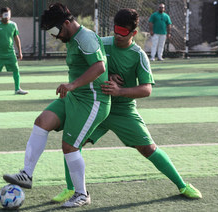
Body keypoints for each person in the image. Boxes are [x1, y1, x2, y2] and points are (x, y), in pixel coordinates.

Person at [51, 8, 202, 203]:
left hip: (123, 111)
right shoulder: (101, 43)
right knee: (72, 144)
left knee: (148, 148)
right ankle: (72, 189)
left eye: (124, 32)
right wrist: (105, 76)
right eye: (116, 30)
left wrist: (120, 91)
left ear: (134, 33)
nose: (118, 36)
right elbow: (89, 64)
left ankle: (182, 185)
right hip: (95, 106)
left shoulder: (138, 55)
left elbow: (147, 90)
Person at [2, 3, 111, 208]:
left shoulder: (85, 37)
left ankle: (81, 194)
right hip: (75, 97)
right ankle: (26, 174)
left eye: (55, 31)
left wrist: (72, 84)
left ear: (67, 23)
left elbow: (99, 66)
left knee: (70, 147)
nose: (55, 36)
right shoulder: (72, 37)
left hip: (93, 101)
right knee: (42, 121)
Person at [0, 7, 28, 96]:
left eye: (8, 14)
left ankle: (17, 89)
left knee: (16, 69)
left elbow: (16, 38)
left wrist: (20, 52)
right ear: (1, 16)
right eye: (5, 15)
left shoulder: (13, 25)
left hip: (10, 53)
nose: (7, 17)